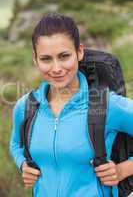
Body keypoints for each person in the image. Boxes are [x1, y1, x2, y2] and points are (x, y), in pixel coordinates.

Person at [9, 13, 133, 197]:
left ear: (79, 52)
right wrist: (22, 164)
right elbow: (16, 144)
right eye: (46, 59)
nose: (56, 68)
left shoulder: (107, 105)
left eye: (64, 56)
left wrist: (124, 169)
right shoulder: (26, 106)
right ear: (35, 59)